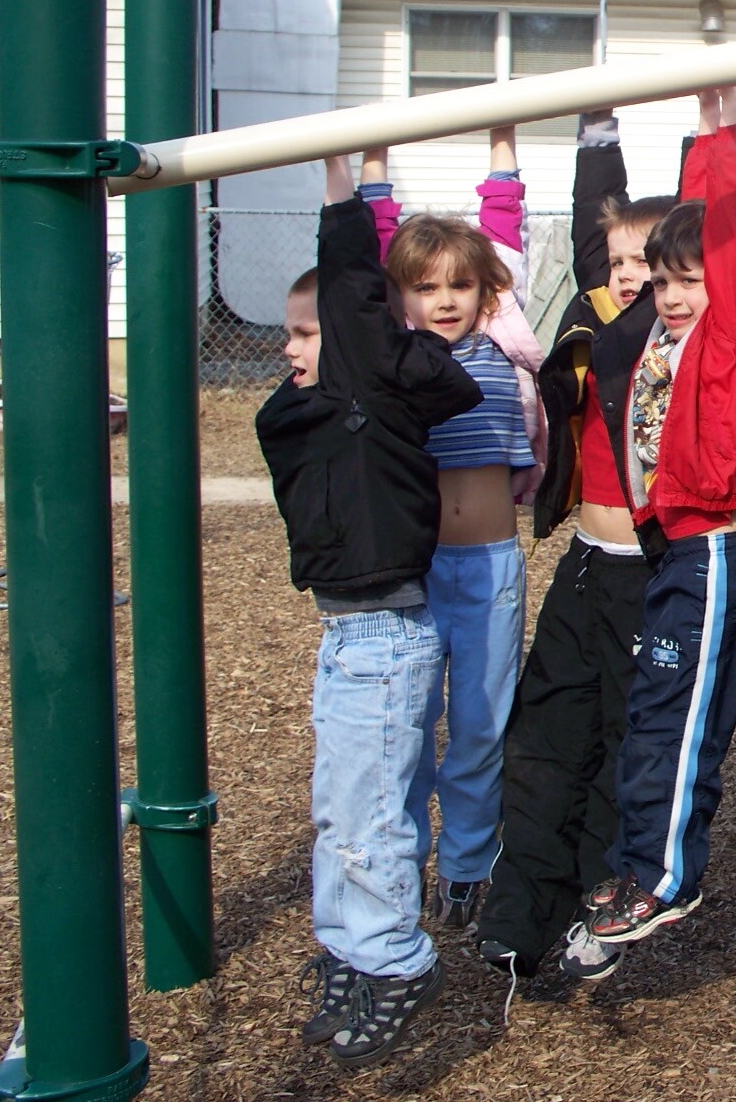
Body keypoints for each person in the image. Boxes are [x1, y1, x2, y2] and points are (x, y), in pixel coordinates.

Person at [558, 85, 736, 979]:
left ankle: (662, 879)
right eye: (662, 281)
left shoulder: (734, 335)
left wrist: (729, 122)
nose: (668, 295)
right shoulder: (660, 342)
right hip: (679, 551)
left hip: (717, 552)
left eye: (686, 281)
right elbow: (683, 230)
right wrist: (700, 132)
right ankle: (642, 868)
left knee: (677, 720)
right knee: (657, 718)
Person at [258, 153, 481, 1066]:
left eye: (307, 334)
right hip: (348, 634)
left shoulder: (369, 389)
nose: (290, 348)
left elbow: (354, 288)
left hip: (383, 635)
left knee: (370, 814)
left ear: (349, 339)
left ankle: (393, 957)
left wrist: (342, 184)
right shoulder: (320, 409)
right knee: (338, 809)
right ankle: (349, 947)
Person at [476, 108, 676, 982]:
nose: (629, 280)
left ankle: (601, 905)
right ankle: (523, 915)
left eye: (652, 267)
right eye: (622, 266)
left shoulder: (681, 345)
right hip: (586, 564)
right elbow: (600, 231)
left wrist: (722, 116)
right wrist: (599, 129)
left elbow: (715, 233)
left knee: (621, 744)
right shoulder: (600, 325)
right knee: (546, 736)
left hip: (655, 573)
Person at [360, 127, 546, 932]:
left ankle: (467, 865)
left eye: (461, 286)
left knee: (477, 723)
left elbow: (504, 228)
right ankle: (400, 870)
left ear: (487, 293)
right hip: (415, 567)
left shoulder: (503, 345)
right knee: (403, 726)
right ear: (402, 297)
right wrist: (365, 160)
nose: (444, 300)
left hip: (491, 565)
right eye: (427, 286)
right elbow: (370, 247)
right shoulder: (397, 352)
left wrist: (504, 134)